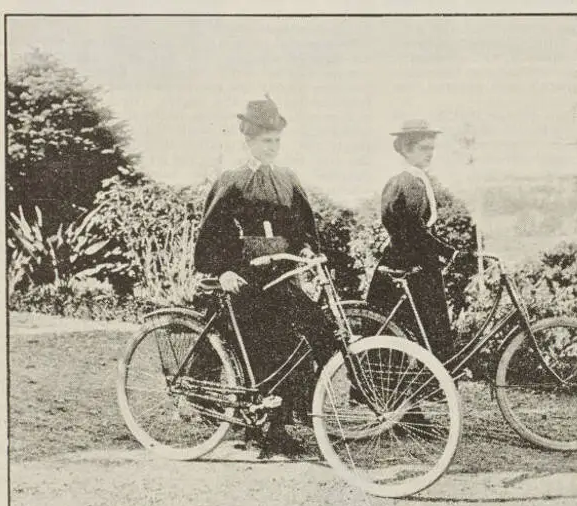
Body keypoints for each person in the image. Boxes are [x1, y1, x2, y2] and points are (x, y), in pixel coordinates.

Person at [193, 95, 337, 457]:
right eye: (265, 141)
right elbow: (213, 231)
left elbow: (303, 225)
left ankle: (292, 416)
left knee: (316, 330)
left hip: (281, 274)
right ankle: (262, 428)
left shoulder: (287, 179)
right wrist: (222, 269)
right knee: (262, 346)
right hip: (245, 277)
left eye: (276, 141)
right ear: (249, 141)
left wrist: (307, 251)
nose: (272, 147)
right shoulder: (234, 180)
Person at [366, 119, 456, 362]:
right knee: (395, 329)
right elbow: (410, 230)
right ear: (406, 149)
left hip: (416, 262)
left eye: (432, 148)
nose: (430, 154)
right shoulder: (404, 181)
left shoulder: (416, 179)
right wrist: (447, 252)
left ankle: (434, 384)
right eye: (424, 148)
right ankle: (386, 388)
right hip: (406, 264)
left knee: (424, 327)